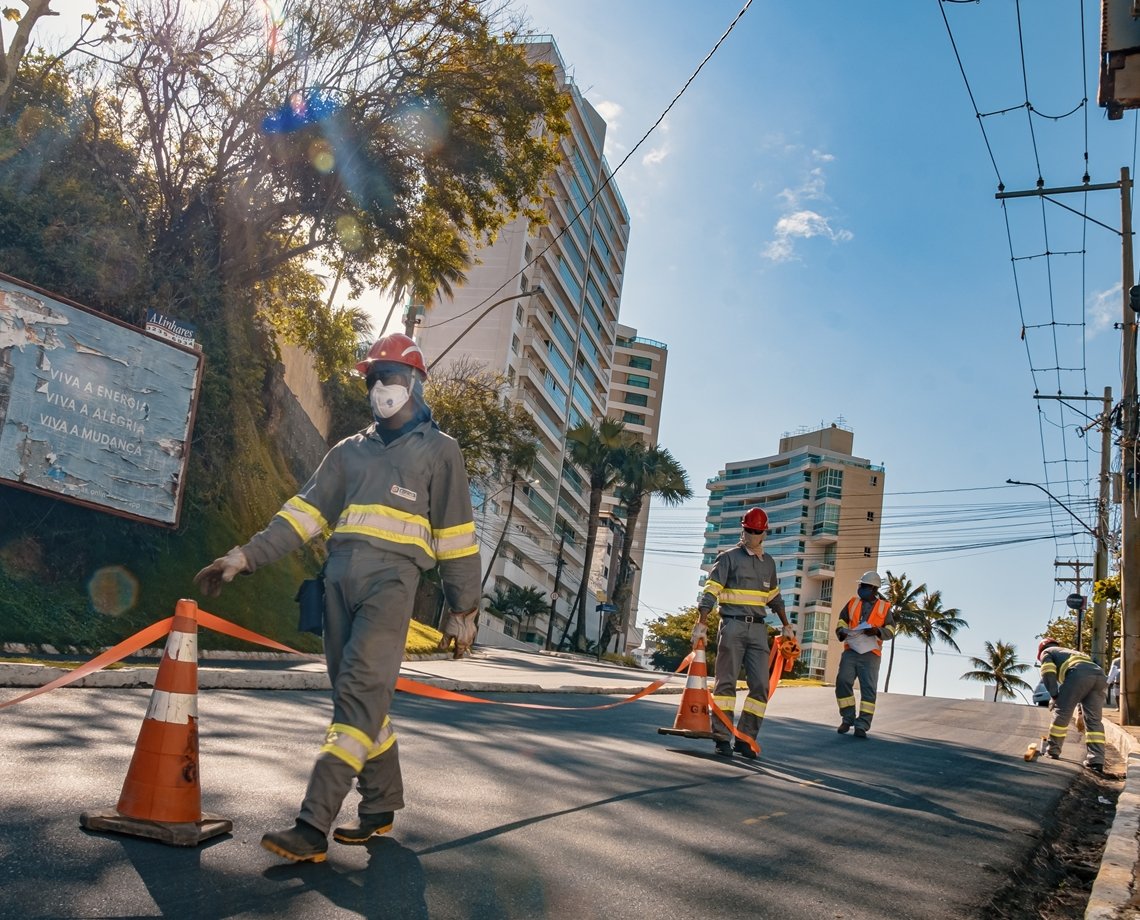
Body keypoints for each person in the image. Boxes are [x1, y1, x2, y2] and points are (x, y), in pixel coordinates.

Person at [193, 333, 481, 862]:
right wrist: (244, 557)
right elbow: (302, 514)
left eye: (389, 376)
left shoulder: (442, 452)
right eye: (373, 378)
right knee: (358, 698)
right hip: (336, 584)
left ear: (414, 382)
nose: (380, 388)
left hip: (393, 585)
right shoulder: (349, 451)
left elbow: (457, 536)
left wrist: (464, 611)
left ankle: (312, 824)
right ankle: (381, 804)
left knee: (358, 695)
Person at [691, 507, 795, 759]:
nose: (752, 534)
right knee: (726, 683)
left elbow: (775, 597)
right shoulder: (728, 558)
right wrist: (701, 622)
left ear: (764, 533)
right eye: (749, 530)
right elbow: (711, 590)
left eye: (757, 531)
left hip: (759, 630)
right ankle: (722, 736)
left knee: (760, 686)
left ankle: (746, 738)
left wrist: (787, 625)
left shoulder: (768, 563)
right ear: (743, 529)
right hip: (732, 625)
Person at [834, 571, 896, 739]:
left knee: (868, 689)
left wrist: (877, 630)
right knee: (842, 682)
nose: (861, 589)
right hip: (851, 650)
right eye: (861, 585)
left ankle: (862, 725)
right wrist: (841, 631)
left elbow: (891, 630)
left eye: (865, 586)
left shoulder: (884, 607)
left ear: (874, 589)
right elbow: (842, 621)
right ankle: (847, 719)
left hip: (871, 653)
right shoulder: (852, 603)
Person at [1037, 638, 1107, 773]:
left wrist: (1054, 694)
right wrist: (1081, 711)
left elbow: (1048, 672)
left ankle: (1052, 751)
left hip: (1079, 674)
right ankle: (1096, 761)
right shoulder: (1073, 652)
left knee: (1062, 712)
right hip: (1100, 677)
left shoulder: (1047, 652)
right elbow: (1087, 681)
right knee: (1094, 721)